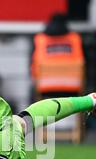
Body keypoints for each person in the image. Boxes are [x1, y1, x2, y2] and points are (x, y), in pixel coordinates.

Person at [30, 13, 86, 142]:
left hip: (46, 87)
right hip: (72, 87)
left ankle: (41, 134)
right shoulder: (75, 38)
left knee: (33, 94)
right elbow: (83, 64)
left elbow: (34, 65)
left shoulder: (40, 39)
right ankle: (76, 135)